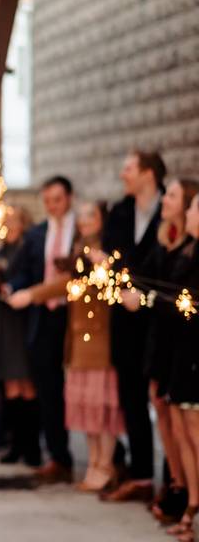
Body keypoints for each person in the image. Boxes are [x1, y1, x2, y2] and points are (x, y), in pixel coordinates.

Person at [11, 201, 125, 491]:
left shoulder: (109, 253)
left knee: (101, 408)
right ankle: (94, 463)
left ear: (102, 219)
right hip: (77, 339)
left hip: (100, 339)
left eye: (91, 215)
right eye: (83, 216)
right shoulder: (80, 253)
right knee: (86, 409)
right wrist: (31, 294)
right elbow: (64, 283)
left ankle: (106, 464)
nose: (85, 221)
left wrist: (106, 267)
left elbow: (116, 289)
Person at [120, 178, 199, 522]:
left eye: (175, 196)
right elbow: (146, 277)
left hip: (184, 345)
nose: (166, 200)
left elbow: (179, 298)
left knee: (186, 425)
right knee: (169, 419)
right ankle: (180, 487)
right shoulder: (167, 241)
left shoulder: (190, 249)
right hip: (164, 341)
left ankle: (185, 493)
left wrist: (148, 299)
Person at [101, 150, 165, 503]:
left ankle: (175, 484)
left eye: (128, 168)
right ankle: (141, 475)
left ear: (148, 173)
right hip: (124, 318)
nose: (122, 174)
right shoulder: (120, 212)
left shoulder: (172, 206)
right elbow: (112, 258)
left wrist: (144, 293)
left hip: (160, 319)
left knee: (166, 401)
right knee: (131, 398)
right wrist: (120, 288)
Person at [9, 175, 77, 483]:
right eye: (47, 201)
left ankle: (112, 457)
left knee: (83, 387)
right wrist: (13, 286)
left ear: (70, 198)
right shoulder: (37, 234)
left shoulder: (83, 231)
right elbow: (23, 272)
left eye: (57, 199)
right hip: (43, 318)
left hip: (76, 317)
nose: (52, 206)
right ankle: (58, 456)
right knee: (47, 389)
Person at [0, 206, 41, 465]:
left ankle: (32, 446)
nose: (8, 226)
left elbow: (28, 276)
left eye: (13, 221)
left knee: (26, 382)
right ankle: (14, 442)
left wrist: (11, 286)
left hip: (21, 319)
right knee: (10, 384)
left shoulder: (27, 249)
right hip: (3, 321)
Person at [166, 192, 199, 542]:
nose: (189, 212)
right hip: (179, 351)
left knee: (195, 433)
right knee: (182, 432)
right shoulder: (187, 252)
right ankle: (192, 503)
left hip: (194, 356)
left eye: (193, 206)